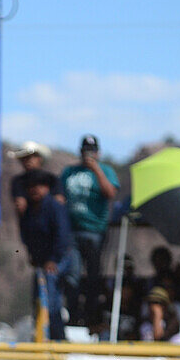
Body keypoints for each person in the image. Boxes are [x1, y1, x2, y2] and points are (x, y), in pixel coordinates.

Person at [60, 135, 119, 325]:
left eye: (92, 151)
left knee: (94, 276)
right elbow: (59, 196)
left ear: (98, 153)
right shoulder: (69, 172)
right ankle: (73, 317)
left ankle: (92, 317)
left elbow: (110, 193)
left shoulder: (106, 171)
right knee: (72, 275)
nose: (88, 154)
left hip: (95, 231)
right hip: (72, 232)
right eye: (86, 151)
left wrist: (96, 169)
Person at [18, 168, 73, 341]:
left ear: (47, 188)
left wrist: (53, 260)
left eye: (39, 185)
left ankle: (57, 339)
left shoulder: (54, 207)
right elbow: (26, 235)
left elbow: (62, 235)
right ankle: (42, 336)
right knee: (38, 298)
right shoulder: (29, 211)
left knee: (50, 298)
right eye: (31, 186)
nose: (35, 189)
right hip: (41, 262)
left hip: (58, 259)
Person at [8, 141, 63, 216]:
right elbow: (20, 205)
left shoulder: (52, 179)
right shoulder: (18, 181)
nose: (28, 160)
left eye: (31, 157)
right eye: (24, 158)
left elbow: (59, 201)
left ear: (39, 158)